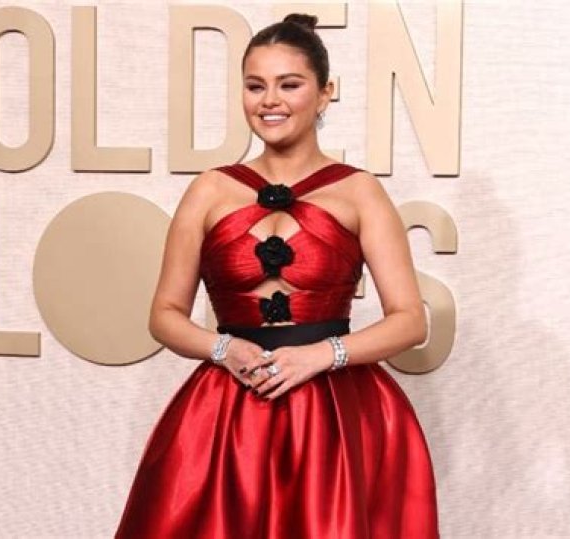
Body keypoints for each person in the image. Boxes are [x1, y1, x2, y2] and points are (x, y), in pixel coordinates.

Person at [115, 13, 439, 539]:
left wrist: (323, 355)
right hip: (227, 412)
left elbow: (409, 321)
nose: (270, 101)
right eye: (255, 86)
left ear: (325, 93)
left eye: (289, 85)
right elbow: (164, 315)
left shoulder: (359, 191)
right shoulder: (209, 190)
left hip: (333, 414)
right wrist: (224, 350)